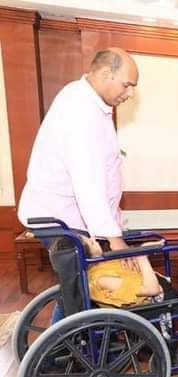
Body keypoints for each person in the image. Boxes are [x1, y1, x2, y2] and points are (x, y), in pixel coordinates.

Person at [18, 47, 138, 253]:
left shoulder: (87, 100)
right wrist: (114, 237)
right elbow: (87, 179)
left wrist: (114, 225)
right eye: (126, 85)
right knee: (92, 275)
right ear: (106, 74)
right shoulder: (80, 109)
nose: (130, 93)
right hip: (60, 220)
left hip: (71, 218)